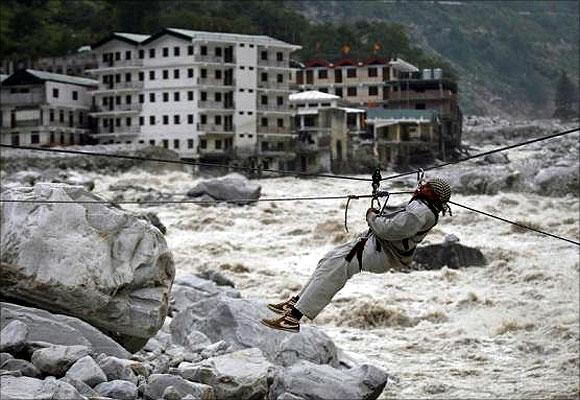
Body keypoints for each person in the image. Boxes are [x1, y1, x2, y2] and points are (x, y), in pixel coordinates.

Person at [261, 178, 452, 333]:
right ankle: (296, 302)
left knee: (334, 270)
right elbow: (398, 215)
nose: (422, 187)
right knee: (328, 261)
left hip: (380, 252)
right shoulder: (422, 206)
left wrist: (371, 216)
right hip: (375, 246)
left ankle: (293, 318)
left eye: (426, 186)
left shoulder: (420, 212)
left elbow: (390, 230)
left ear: (432, 194)